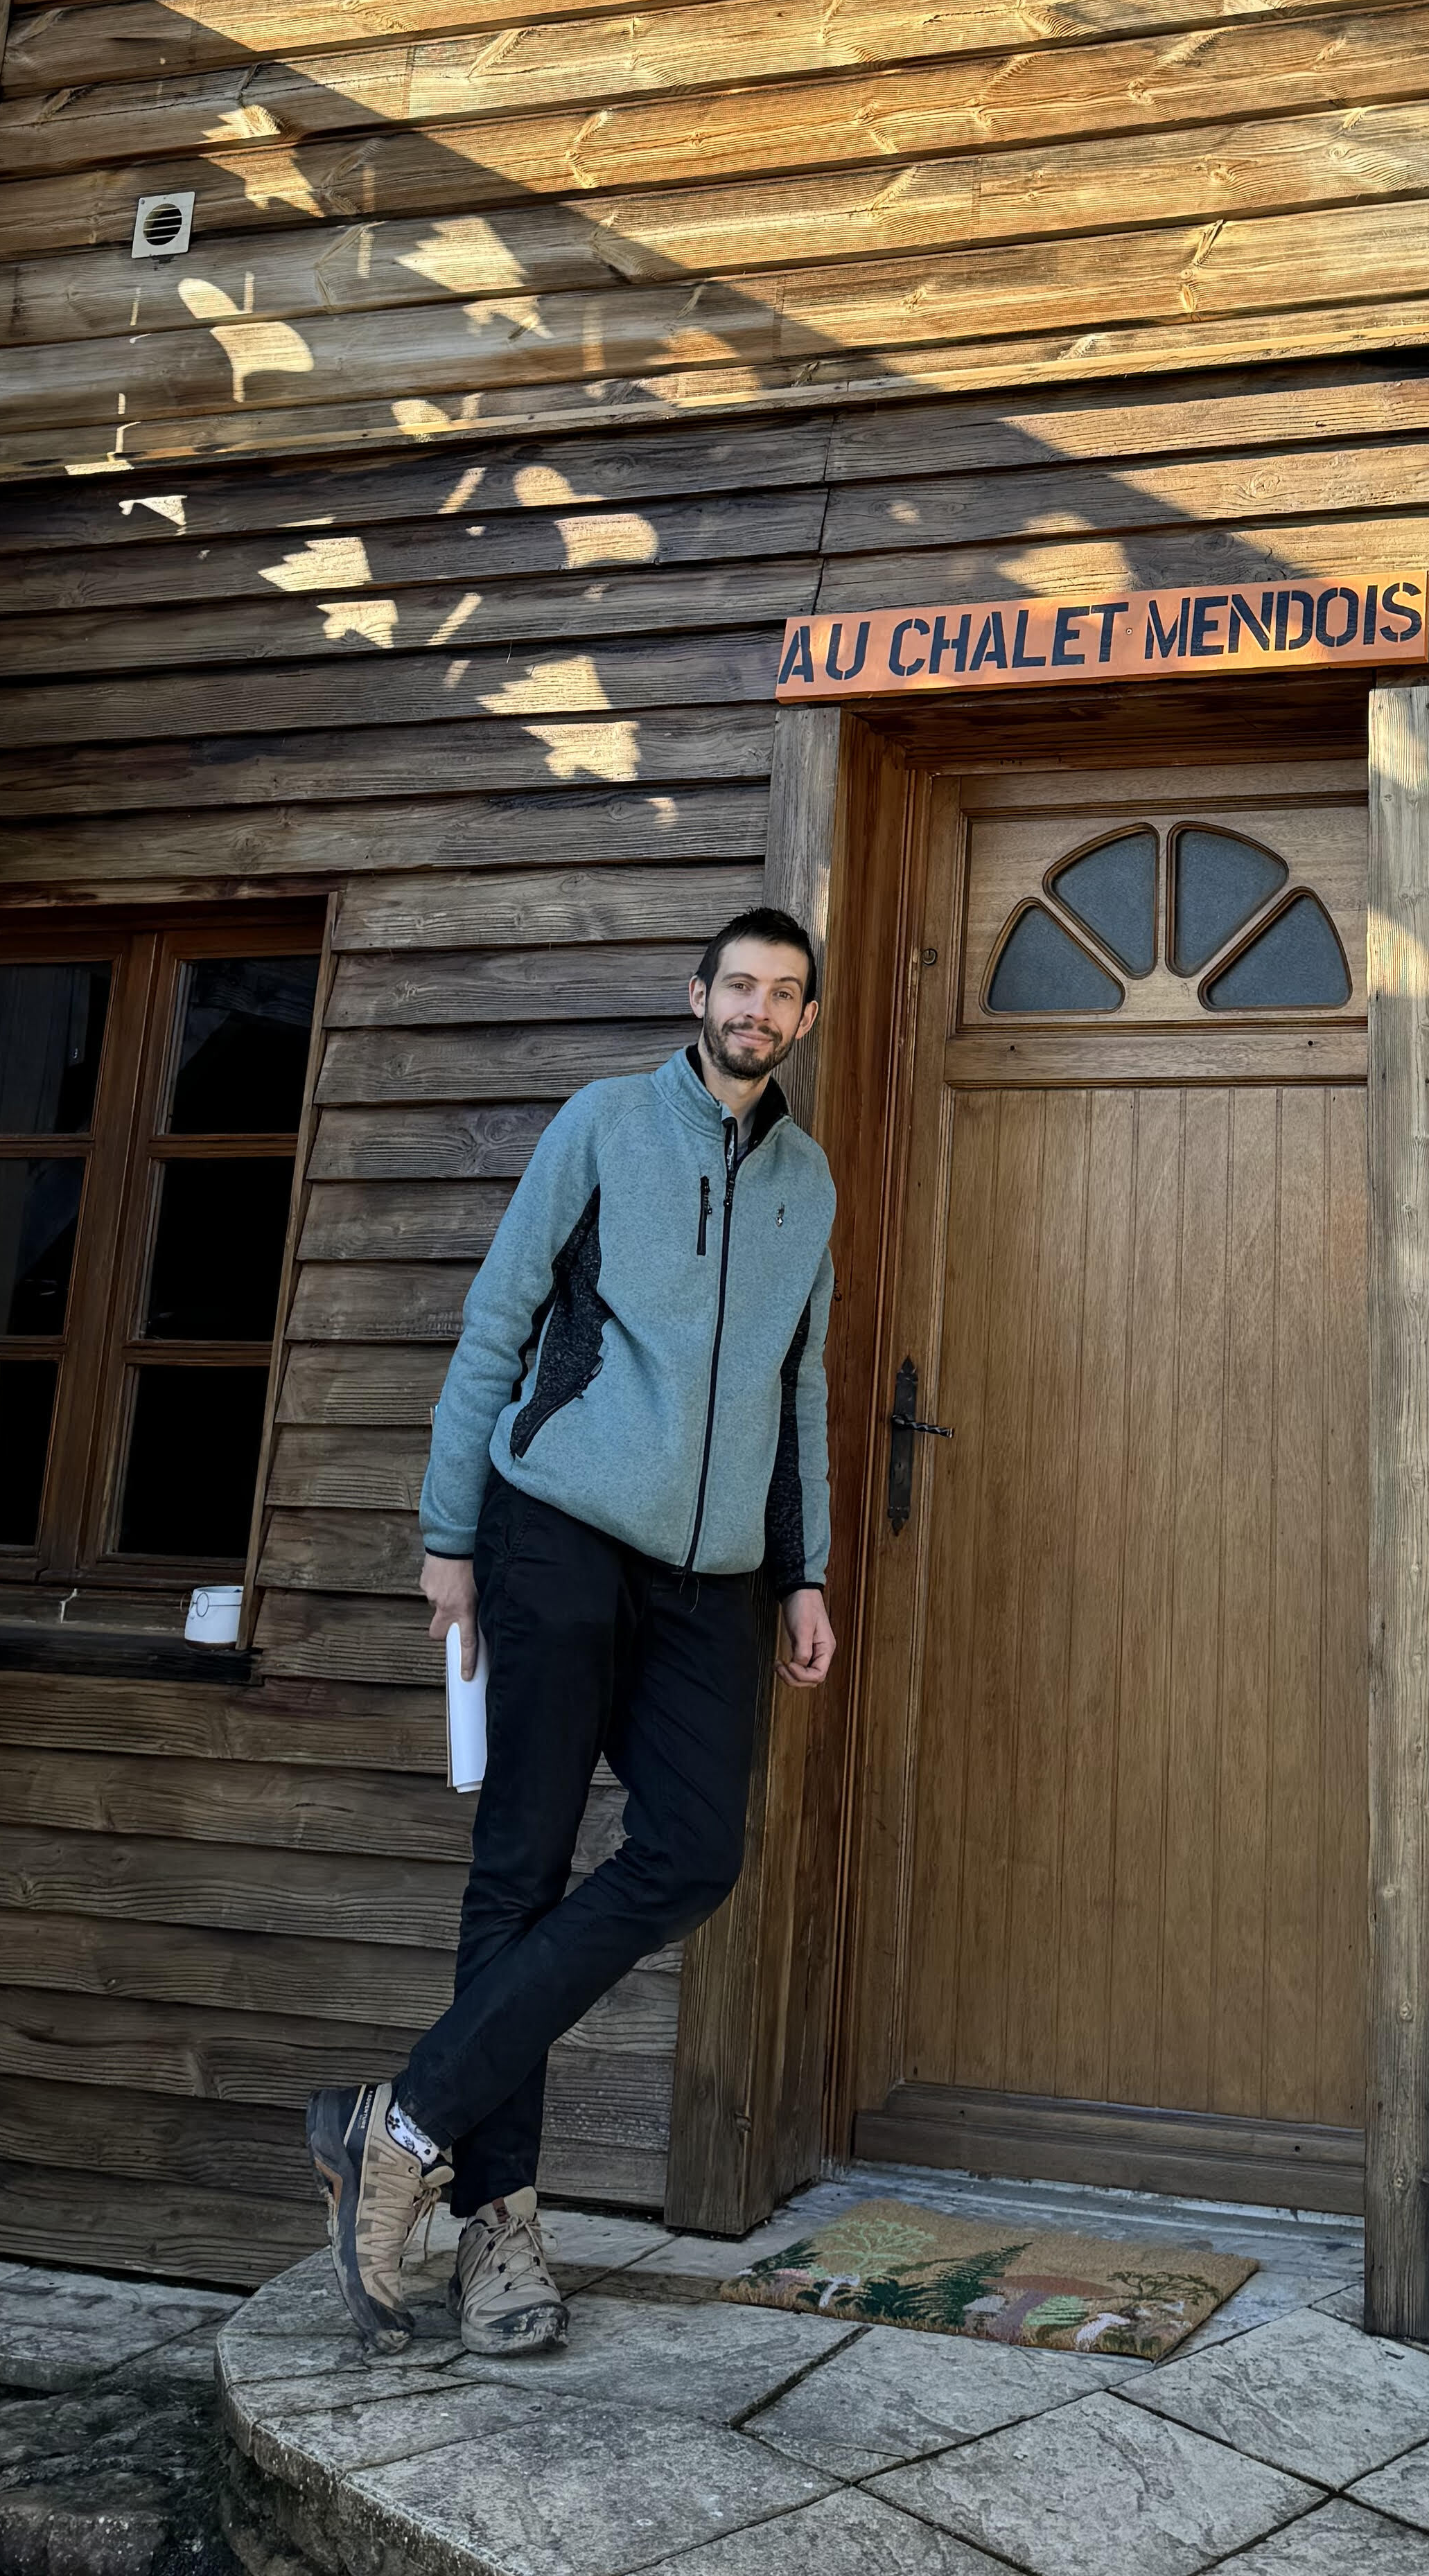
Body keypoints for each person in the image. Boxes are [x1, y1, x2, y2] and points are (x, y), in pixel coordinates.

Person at [306, 908, 839, 2358]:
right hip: (558, 1534)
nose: (758, 1009)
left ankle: (402, 2123)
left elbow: (797, 1388)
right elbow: (498, 1322)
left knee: (695, 1849)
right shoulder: (603, 1126)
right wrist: (449, 1536)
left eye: (784, 994)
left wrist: (804, 1573)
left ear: (803, 1021)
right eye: (739, 984)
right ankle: (501, 2231)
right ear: (698, 995)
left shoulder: (807, 1184)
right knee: (522, 1869)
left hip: (714, 1576)